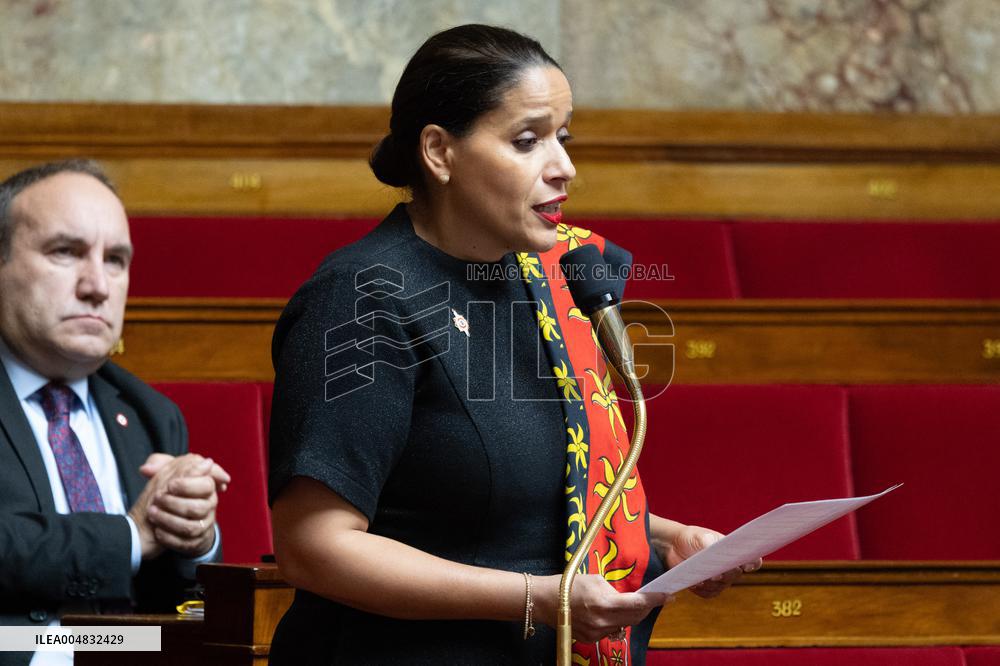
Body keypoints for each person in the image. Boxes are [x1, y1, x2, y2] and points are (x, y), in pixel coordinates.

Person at [268, 24, 758, 665]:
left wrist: (667, 539)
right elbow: (314, 546)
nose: (564, 167)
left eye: (563, 137)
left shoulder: (541, 277)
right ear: (440, 152)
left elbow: (540, 501)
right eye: (527, 141)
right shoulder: (363, 299)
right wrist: (539, 598)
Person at [0, 160, 230, 666]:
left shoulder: (150, 414)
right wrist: (133, 534)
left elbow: (160, 616)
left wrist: (190, 534)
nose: (97, 286)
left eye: (116, 260)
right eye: (66, 252)